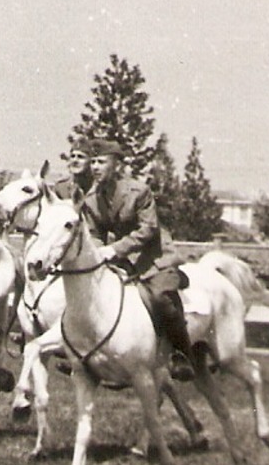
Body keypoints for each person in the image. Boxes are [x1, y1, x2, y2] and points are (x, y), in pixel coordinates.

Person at [78, 137, 195, 382]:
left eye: (101, 162)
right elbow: (93, 233)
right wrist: (99, 252)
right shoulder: (91, 198)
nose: (95, 167)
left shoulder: (138, 191)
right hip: (120, 258)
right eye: (93, 162)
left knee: (161, 298)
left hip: (153, 256)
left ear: (117, 165)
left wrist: (114, 249)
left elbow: (148, 229)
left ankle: (181, 354)